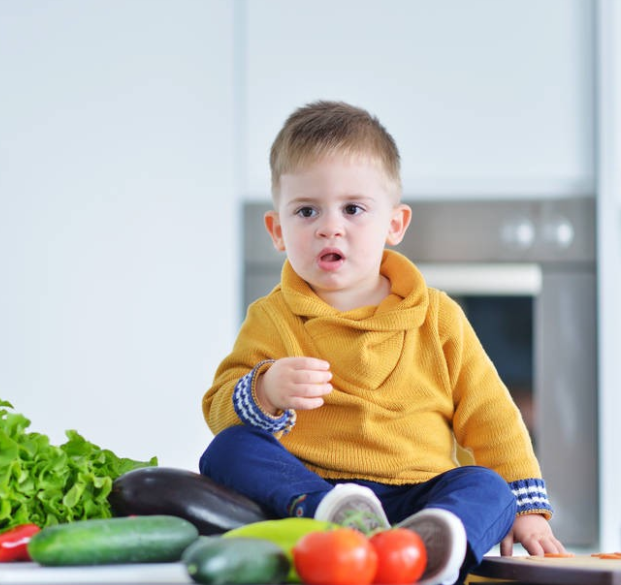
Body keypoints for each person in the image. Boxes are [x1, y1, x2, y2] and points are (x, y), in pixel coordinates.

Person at [200, 100, 566, 585]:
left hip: (423, 494)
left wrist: (528, 511)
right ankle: (336, 518)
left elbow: (492, 415)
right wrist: (264, 391)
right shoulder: (272, 318)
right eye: (307, 211)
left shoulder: (438, 317)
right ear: (277, 231)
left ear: (395, 223)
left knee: (489, 487)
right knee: (227, 450)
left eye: (353, 209)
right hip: (315, 492)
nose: (330, 226)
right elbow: (219, 409)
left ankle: (434, 547)